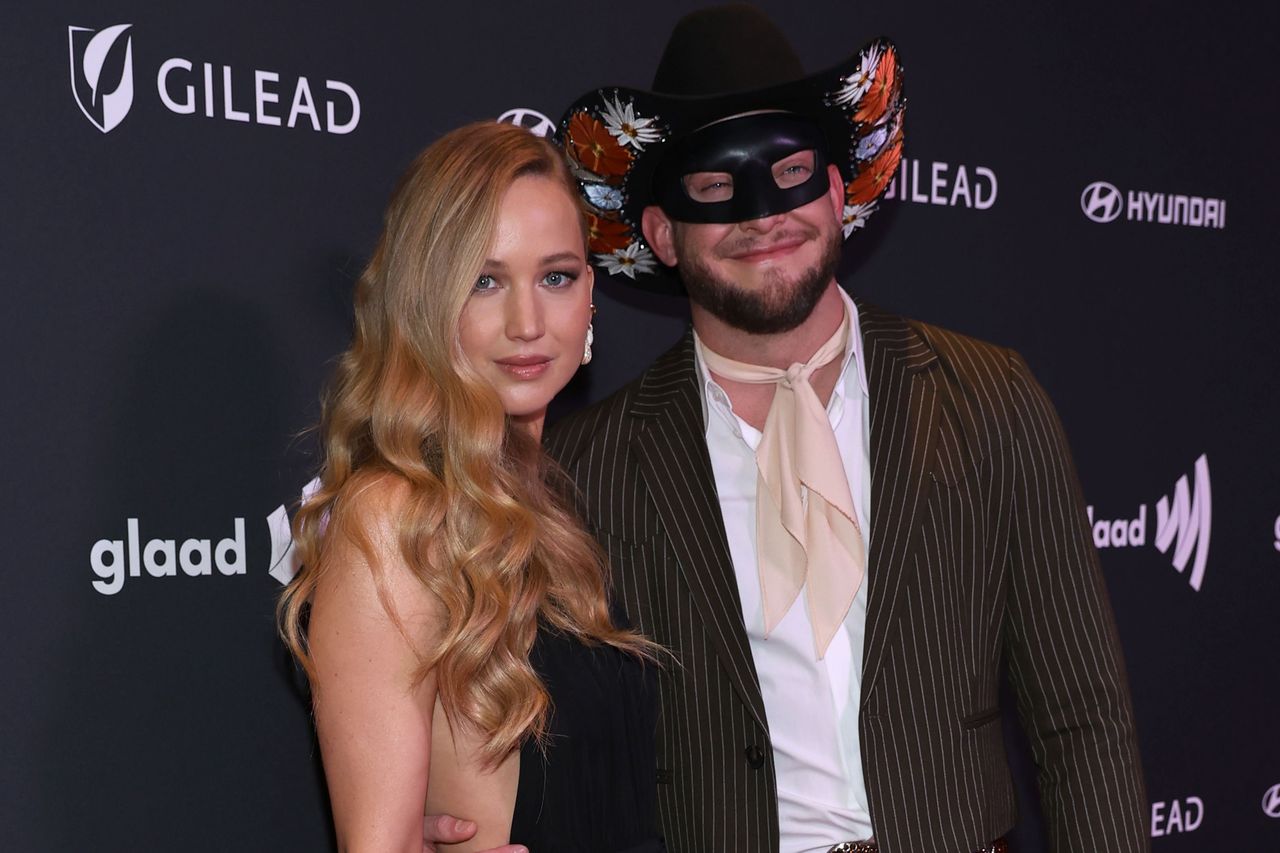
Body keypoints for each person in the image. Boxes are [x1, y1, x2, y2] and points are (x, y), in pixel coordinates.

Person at [537, 6, 1146, 853]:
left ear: (836, 191)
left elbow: (1084, 720)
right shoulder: (585, 466)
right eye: (714, 190)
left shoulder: (991, 399)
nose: (761, 215)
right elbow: (553, 739)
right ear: (661, 233)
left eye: (790, 171)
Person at [279, 121, 663, 853]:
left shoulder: (558, 505)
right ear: (427, 302)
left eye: (556, 276)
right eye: (485, 281)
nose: (527, 322)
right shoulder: (395, 515)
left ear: (590, 297)